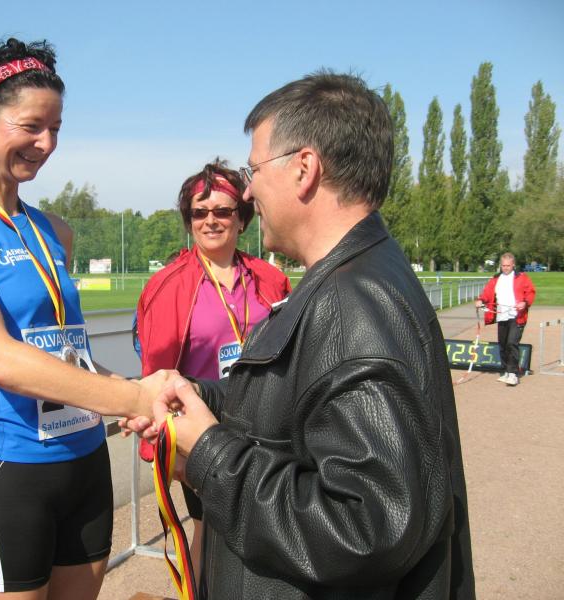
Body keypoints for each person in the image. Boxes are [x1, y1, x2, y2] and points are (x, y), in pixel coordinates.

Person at [127, 71, 475, 599]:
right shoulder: (351, 278)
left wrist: (211, 453)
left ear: (304, 169)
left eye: (254, 170)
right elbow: (297, 404)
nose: (248, 191)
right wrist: (203, 395)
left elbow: (368, 527)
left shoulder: (356, 304)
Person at [0, 38, 169, 599]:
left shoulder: (54, 230)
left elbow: (64, 351)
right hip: (11, 471)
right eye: (31, 126)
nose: (47, 144)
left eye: (55, 128)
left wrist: (136, 389)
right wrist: (131, 398)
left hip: (86, 463)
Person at [135, 159, 291, 578]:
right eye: (199, 212)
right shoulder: (167, 285)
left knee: (265, 539)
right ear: (189, 221)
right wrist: (164, 450)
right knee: (213, 536)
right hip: (204, 435)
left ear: (241, 218)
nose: (210, 221)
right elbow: (156, 376)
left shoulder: (270, 279)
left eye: (222, 210)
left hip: (268, 431)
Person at [476, 252, 536, 386]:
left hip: (516, 316)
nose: (505, 268)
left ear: (513, 265)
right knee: (503, 345)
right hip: (501, 316)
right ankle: (506, 372)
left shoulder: (522, 278)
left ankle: (513, 374)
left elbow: (530, 292)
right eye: (503, 265)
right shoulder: (496, 278)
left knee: (511, 343)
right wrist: (481, 300)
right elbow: (487, 293)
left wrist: (525, 303)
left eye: (508, 265)